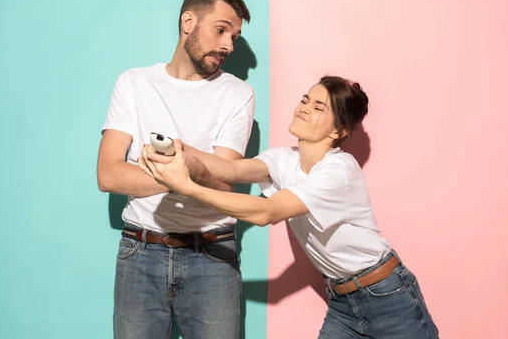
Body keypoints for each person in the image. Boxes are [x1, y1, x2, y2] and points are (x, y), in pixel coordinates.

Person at [139, 76, 440, 338]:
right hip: (342, 301)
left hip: (388, 296)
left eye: (318, 107)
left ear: (338, 131)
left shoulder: (338, 170)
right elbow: (230, 171)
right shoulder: (283, 159)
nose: (304, 108)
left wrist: (186, 186)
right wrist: (179, 146)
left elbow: (265, 213)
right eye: (305, 100)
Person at [96, 0, 254, 339]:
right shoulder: (134, 83)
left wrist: (160, 171)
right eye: (221, 30)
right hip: (141, 252)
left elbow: (224, 182)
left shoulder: (237, 94)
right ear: (188, 23)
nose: (228, 44)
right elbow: (108, 174)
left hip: (213, 254)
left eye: (235, 36)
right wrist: (187, 173)